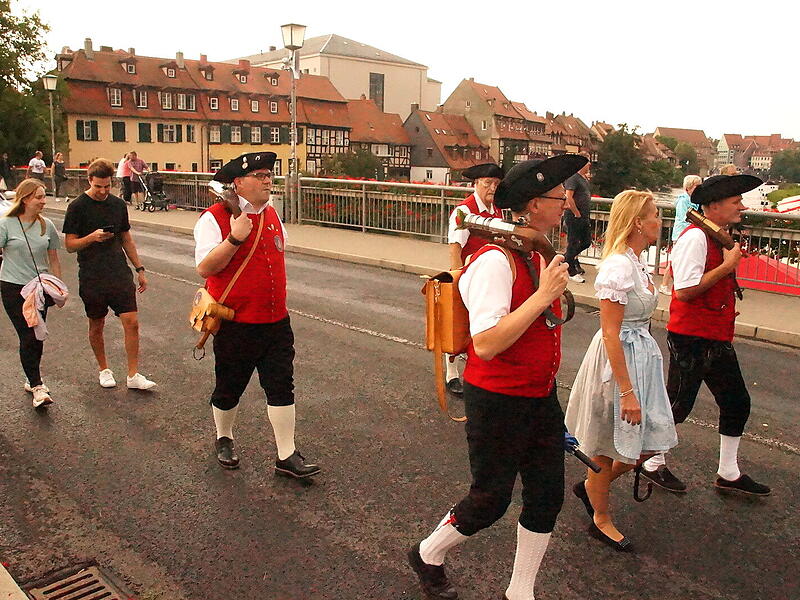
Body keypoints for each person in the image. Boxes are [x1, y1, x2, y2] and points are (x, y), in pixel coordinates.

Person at [408, 154, 587, 600]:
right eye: (556, 195)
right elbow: (485, 343)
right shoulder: (493, 261)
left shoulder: (536, 250)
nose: (566, 200)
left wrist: (550, 292)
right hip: (497, 398)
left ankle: (520, 591)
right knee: (491, 500)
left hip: (538, 395)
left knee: (547, 495)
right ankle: (428, 552)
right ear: (530, 205)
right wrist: (544, 295)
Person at [640, 174, 770, 496]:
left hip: (714, 335)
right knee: (678, 405)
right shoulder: (695, 238)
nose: (742, 206)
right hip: (692, 336)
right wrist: (727, 268)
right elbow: (684, 292)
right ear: (713, 206)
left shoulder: (714, 235)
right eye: (735, 201)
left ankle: (728, 471)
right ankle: (651, 462)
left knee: (736, 401)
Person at [193, 152, 320, 478]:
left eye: (269, 174)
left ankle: (286, 454)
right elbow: (205, 268)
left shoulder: (273, 215)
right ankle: (224, 437)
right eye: (260, 175)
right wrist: (235, 236)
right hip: (236, 323)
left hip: (276, 321)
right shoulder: (214, 218)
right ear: (238, 182)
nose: (268, 180)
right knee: (229, 386)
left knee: (281, 386)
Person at [565, 190, 678, 552]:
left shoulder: (636, 260)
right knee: (604, 447)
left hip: (640, 357)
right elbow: (611, 332)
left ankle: (591, 486)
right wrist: (627, 391)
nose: (659, 222)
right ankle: (601, 518)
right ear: (636, 223)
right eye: (654, 216)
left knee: (643, 447)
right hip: (617, 364)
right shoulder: (617, 266)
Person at [62, 158, 156, 390]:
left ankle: (133, 374)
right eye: (98, 187)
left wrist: (140, 269)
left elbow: (126, 238)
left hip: (118, 272)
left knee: (132, 322)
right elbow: (70, 245)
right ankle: (104, 369)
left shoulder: (117, 205)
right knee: (97, 323)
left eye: (107, 186)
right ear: (89, 181)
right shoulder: (76, 207)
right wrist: (91, 237)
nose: (103, 191)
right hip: (92, 274)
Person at [0, 179, 63, 408]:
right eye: (39, 197)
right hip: (13, 287)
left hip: (39, 289)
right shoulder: (6, 224)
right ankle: (38, 386)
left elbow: (54, 258)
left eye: (44, 196)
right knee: (27, 335)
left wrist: (57, 287)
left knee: (37, 335)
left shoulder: (47, 225)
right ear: (25, 198)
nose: (43, 201)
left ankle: (31, 376)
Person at [444, 162, 504, 395]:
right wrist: (456, 281)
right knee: (459, 325)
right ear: (476, 183)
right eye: (487, 183)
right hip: (469, 277)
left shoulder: (496, 210)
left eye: (496, 184)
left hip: (490, 278)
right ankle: (452, 375)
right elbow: (454, 248)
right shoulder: (464, 211)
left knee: (484, 326)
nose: (492, 188)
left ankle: (477, 373)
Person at [659, 175, 702, 294]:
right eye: (696, 186)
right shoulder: (684, 201)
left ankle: (676, 285)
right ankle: (664, 284)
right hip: (681, 234)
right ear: (688, 188)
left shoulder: (695, 201)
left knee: (683, 260)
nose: (699, 189)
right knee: (675, 260)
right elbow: (685, 218)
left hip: (687, 233)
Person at [563, 152, 592, 283]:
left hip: (584, 216)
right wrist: (576, 212)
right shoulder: (573, 177)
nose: (590, 164)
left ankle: (566, 258)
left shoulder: (583, 178)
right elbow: (568, 196)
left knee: (586, 242)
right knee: (573, 242)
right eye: (587, 161)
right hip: (574, 215)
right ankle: (571, 271)